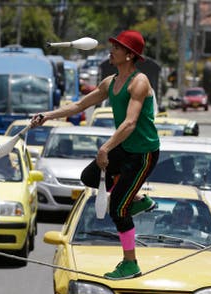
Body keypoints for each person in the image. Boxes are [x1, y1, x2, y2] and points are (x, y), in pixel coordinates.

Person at [30, 30, 160, 280]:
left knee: (118, 210)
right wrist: (47, 115)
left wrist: (106, 147)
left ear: (130, 55)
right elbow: (79, 106)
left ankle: (130, 263)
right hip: (125, 148)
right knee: (90, 176)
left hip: (143, 153)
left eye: (117, 48)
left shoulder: (139, 81)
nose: (111, 51)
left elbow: (131, 123)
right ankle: (138, 198)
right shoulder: (110, 82)